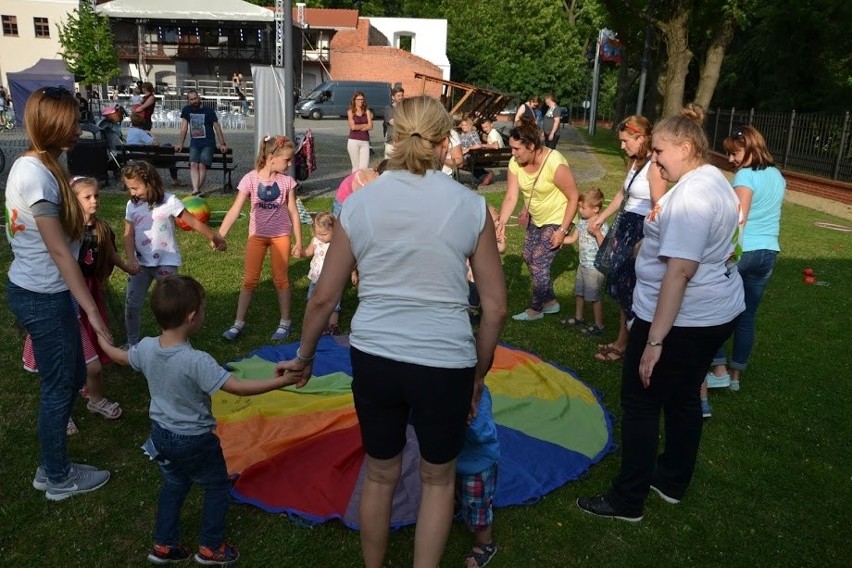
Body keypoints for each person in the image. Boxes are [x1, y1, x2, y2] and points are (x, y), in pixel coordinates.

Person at [278, 95, 507, 568]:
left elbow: (323, 296)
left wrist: (304, 356)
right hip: (446, 362)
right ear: (445, 142)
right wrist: (478, 376)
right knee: (438, 478)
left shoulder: (360, 203)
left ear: (393, 135)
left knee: (381, 473)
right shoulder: (470, 205)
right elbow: (496, 307)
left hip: (376, 356)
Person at [576, 104, 745, 522]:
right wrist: (643, 247)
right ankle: (671, 480)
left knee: (641, 402)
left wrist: (654, 341)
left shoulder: (692, 196)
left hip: (682, 319)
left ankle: (628, 499)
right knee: (684, 396)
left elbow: (680, 272)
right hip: (713, 311)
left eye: (659, 151)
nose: (653, 159)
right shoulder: (712, 179)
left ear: (686, 147)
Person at [97, 275, 304, 566]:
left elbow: (121, 357)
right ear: (192, 318)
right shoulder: (197, 361)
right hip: (195, 440)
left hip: (161, 435)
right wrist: (280, 383)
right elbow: (237, 387)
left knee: (174, 483)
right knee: (217, 486)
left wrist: (102, 344)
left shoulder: (145, 347)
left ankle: (164, 545)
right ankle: (210, 547)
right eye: (203, 311)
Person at [6, 85, 112, 500]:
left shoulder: (47, 165)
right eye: (71, 122)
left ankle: (51, 467)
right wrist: (94, 314)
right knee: (59, 385)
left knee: (68, 377)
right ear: (51, 124)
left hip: (44, 292)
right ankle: (58, 478)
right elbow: (58, 252)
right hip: (42, 295)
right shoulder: (34, 173)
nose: (78, 129)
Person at [22, 176, 135, 430]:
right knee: (62, 372)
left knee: (92, 366)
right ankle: (63, 412)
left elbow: (110, 253)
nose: (95, 201)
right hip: (60, 306)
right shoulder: (62, 233)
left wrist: (127, 266)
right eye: (87, 197)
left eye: (97, 196)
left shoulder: (100, 229)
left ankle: (94, 398)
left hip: (83, 296)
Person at [705, 126, 786, 393]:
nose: (730, 159)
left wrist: (724, 253)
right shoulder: (777, 175)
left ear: (751, 148)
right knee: (747, 315)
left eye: (734, 153)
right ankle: (735, 376)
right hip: (768, 253)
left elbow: (739, 218)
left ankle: (718, 369)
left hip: (745, 253)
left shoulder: (745, 177)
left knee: (712, 308)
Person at [123, 161, 226, 347]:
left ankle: (176, 343)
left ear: (150, 182)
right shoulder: (132, 205)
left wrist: (214, 237)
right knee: (131, 306)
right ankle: (132, 345)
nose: (132, 193)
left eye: (136, 188)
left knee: (172, 306)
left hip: (166, 262)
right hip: (140, 265)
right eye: (129, 188)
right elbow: (128, 235)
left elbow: (193, 222)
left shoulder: (170, 201)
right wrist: (131, 259)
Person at [589, 115, 666, 362]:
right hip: (625, 226)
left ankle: (630, 345)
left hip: (639, 231)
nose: (623, 146)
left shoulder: (655, 167)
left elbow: (658, 206)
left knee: (630, 286)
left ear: (641, 138)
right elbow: (623, 193)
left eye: (626, 141)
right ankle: (623, 341)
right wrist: (603, 217)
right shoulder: (635, 163)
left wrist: (647, 238)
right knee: (622, 284)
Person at [217, 135, 303, 342]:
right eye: (287, 160)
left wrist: (299, 241)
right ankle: (239, 323)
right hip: (257, 236)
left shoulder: (287, 182)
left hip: (281, 235)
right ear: (271, 157)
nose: (290, 163)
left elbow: (293, 211)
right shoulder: (250, 179)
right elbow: (235, 209)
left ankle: (285, 322)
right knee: (249, 280)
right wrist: (220, 234)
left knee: (281, 279)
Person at [497, 120, 580, 321]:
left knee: (539, 262)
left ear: (531, 146)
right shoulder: (515, 163)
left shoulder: (555, 163)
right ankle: (550, 301)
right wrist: (501, 222)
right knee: (528, 256)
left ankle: (535, 310)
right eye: (511, 148)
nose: (513, 153)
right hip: (537, 217)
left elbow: (574, 197)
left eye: (517, 148)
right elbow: (511, 196)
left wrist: (562, 230)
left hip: (559, 218)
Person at [456, 384, 500, 568]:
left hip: (477, 465)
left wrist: (463, 419)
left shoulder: (476, 395)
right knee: (450, 489)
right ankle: (454, 507)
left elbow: (481, 433)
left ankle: (485, 544)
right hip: (452, 461)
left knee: (477, 506)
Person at [560, 188, 609, 335]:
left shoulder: (601, 225)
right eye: (579, 207)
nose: (580, 210)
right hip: (583, 265)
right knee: (579, 292)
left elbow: (605, 247)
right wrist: (560, 240)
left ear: (595, 209)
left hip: (594, 268)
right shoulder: (582, 222)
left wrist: (597, 233)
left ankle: (599, 325)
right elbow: (574, 238)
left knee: (594, 297)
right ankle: (579, 317)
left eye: (583, 207)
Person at [177, 89, 228, 196]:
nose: (194, 101)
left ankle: (196, 190)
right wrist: (180, 143)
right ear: (188, 100)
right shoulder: (187, 110)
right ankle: (196, 190)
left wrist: (222, 143)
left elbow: (217, 127)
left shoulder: (208, 111)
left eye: (195, 98)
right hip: (195, 143)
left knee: (202, 165)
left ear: (199, 98)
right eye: (191, 99)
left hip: (208, 143)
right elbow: (184, 128)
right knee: (193, 164)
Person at [303, 212, 341, 335]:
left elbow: (344, 260)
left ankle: (332, 326)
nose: (320, 237)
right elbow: (309, 252)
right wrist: (301, 252)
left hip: (331, 280)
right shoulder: (315, 240)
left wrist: (353, 273)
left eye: (324, 234)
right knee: (312, 301)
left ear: (333, 230)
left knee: (333, 304)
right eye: (317, 233)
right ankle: (316, 324)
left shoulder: (336, 244)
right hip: (315, 278)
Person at [126, 111, 183, 187]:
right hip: (146, 159)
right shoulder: (140, 132)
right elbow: (156, 144)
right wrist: (150, 133)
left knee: (169, 155)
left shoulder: (130, 132)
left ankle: (174, 166)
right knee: (168, 147)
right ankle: (175, 177)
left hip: (134, 157)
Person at [459, 115, 494, 186]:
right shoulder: (462, 134)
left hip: (470, 157)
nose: (463, 126)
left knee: (454, 161)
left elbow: (478, 145)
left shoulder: (472, 133)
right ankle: (486, 176)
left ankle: (451, 179)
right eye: (462, 125)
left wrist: (468, 149)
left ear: (470, 125)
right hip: (467, 157)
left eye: (465, 125)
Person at [347, 91, 373, 171]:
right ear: (354, 100)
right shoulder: (350, 112)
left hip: (365, 141)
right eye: (358, 99)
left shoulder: (367, 112)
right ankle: (354, 183)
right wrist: (365, 125)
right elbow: (353, 127)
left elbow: (371, 126)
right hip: (353, 141)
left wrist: (360, 126)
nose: (361, 101)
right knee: (355, 167)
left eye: (362, 99)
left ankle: (362, 183)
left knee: (364, 168)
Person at [383, 85, 405, 158]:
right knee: (388, 168)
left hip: (403, 144)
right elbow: (393, 122)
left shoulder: (405, 109)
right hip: (391, 144)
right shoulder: (389, 108)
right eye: (398, 96)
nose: (401, 97)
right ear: (393, 97)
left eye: (402, 95)